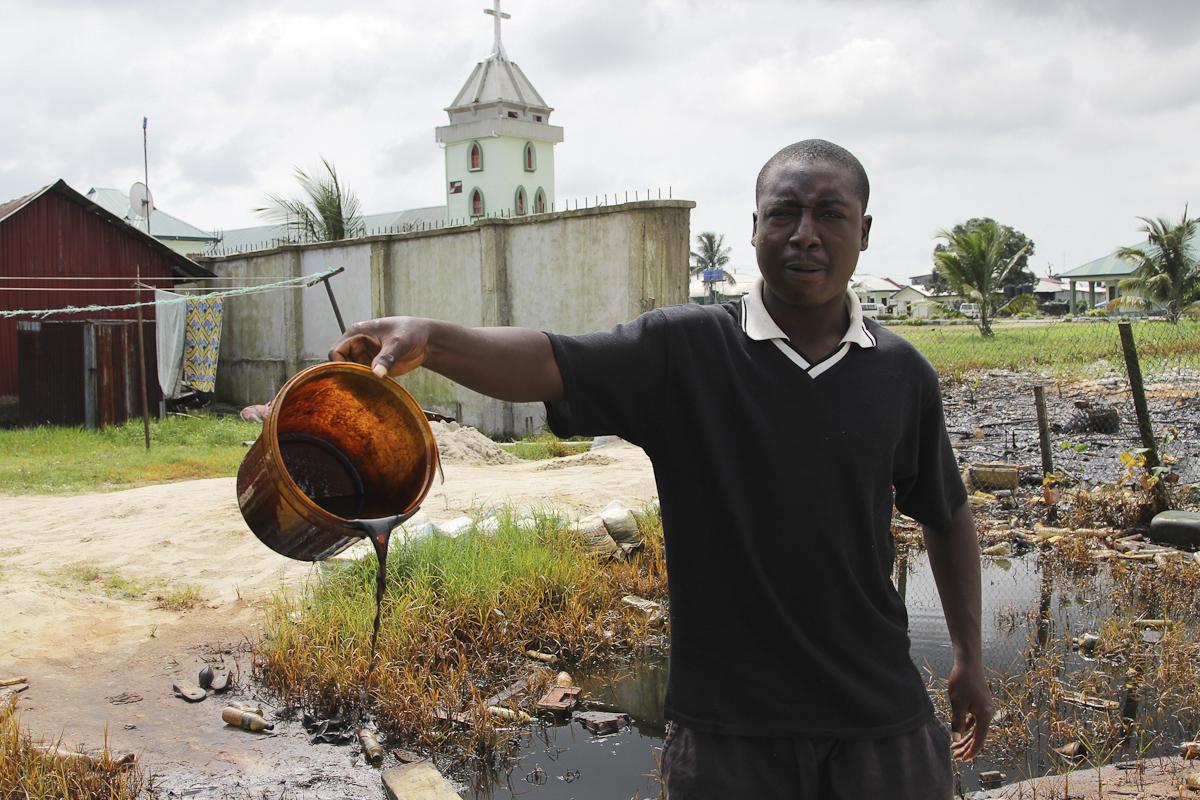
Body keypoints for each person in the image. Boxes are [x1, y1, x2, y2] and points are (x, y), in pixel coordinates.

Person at [330, 139, 992, 799]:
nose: (805, 235)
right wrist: (434, 339)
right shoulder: (685, 353)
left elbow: (945, 512)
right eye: (784, 213)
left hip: (879, 723)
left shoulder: (899, 372)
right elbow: (551, 360)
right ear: (754, 227)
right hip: (729, 734)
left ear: (865, 231)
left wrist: (968, 655)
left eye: (830, 213)